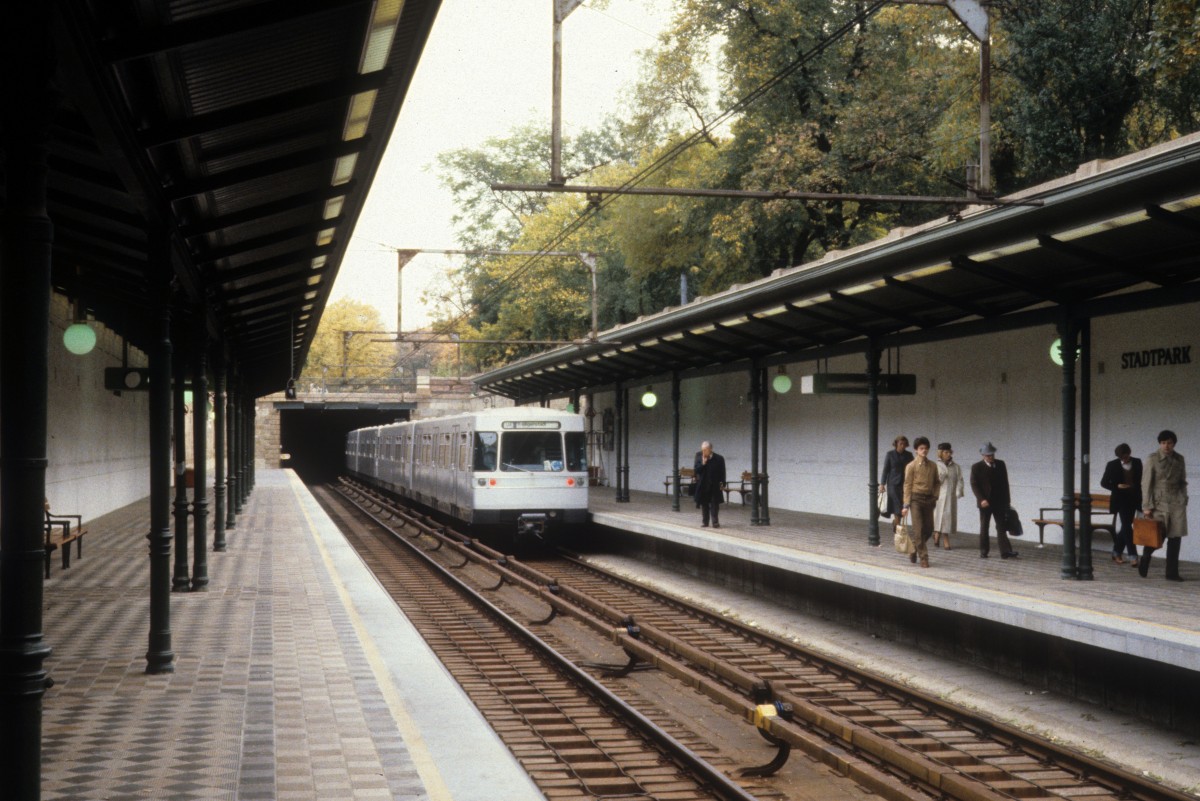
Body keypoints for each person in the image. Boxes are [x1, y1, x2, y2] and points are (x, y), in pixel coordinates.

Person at [1139, 430, 1188, 581]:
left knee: (1176, 537)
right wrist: (1146, 506)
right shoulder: (1152, 459)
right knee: (1158, 535)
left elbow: (1182, 481)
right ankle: (1146, 557)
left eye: (1169, 443)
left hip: (1176, 502)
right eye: (1163, 443)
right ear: (1160, 444)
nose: (1166, 446)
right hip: (1158, 502)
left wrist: (1184, 497)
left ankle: (1172, 573)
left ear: (1174, 444)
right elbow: (1146, 483)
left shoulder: (1179, 459)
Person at [970, 441, 1019, 559]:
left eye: (992, 454)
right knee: (984, 526)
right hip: (985, 502)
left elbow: (1005, 484)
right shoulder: (976, 467)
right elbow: (974, 484)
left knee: (1001, 526)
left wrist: (1007, 501)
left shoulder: (1001, 464)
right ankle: (984, 551)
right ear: (983, 455)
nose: (990, 457)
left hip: (999, 501)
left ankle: (1005, 551)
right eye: (988, 455)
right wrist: (981, 499)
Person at [1100, 443, 1142, 566]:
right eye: (1121, 458)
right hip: (1121, 500)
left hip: (1134, 499)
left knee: (1126, 526)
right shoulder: (1112, 465)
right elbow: (1104, 482)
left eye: (1126, 456)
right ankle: (1133, 555)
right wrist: (1117, 486)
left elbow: (1141, 481)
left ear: (1129, 453)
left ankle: (1116, 551)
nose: (1124, 459)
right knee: (1127, 527)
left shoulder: (1137, 462)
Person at [902, 437, 941, 568]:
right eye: (921, 448)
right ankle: (923, 557)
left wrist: (935, 496)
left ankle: (913, 548)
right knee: (918, 530)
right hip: (915, 500)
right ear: (916, 450)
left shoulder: (933, 466)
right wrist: (906, 504)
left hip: (929, 499)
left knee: (929, 528)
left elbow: (937, 482)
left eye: (926, 448)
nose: (924, 451)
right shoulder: (911, 466)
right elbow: (907, 485)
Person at [932, 442, 964, 550]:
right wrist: (941, 476)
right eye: (945, 452)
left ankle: (941, 536)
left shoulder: (956, 467)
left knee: (947, 518)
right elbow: (934, 482)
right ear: (940, 453)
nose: (948, 454)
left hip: (950, 495)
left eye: (949, 452)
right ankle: (939, 536)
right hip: (939, 496)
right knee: (938, 517)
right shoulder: (935, 465)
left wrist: (958, 491)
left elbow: (960, 480)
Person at [878, 436, 913, 527]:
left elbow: (913, 469)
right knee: (897, 506)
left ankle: (896, 523)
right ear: (896, 444)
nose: (902, 446)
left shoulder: (909, 455)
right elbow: (886, 470)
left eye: (904, 444)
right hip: (893, 484)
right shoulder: (890, 454)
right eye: (900, 444)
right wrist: (882, 484)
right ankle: (898, 527)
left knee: (902, 505)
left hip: (905, 484)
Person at [694, 441, 727, 529]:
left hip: (714, 485)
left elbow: (722, 472)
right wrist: (703, 464)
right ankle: (705, 522)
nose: (703, 452)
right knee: (704, 504)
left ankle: (715, 522)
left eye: (705, 450)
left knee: (714, 504)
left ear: (710, 449)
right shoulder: (698, 456)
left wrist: (723, 484)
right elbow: (696, 470)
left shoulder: (719, 458)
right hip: (703, 485)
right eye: (702, 450)